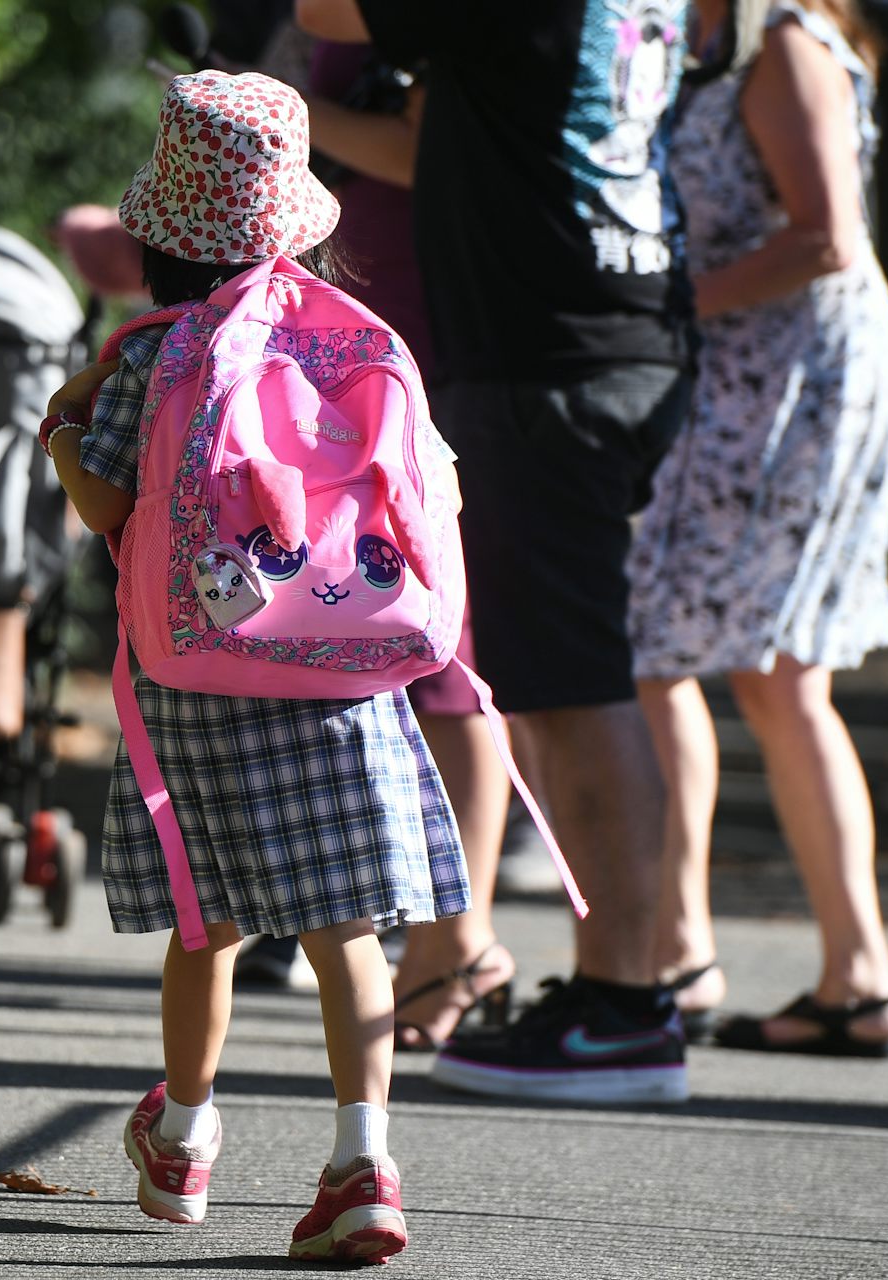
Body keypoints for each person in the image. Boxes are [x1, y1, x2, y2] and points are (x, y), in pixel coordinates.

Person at [45, 70, 471, 1263]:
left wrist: (64, 432)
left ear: (161, 240)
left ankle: (182, 1135)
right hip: (346, 667)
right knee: (349, 933)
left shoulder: (156, 355)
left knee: (208, 920)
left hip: (201, 681)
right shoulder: (353, 343)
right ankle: (364, 1158)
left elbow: (109, 507)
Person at [296, 0, 695, 1104]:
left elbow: (321, 9)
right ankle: (621, 987)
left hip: (549, 356)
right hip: (608, 330)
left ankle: (627, 1005)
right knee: (559, 682)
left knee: (576, 683)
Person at [627, 0, 888, 1055]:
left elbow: (826, 235)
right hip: (741, 383)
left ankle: (844, 970)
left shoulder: (786, 42)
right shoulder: (698, 42)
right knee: (670, 656)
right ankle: (690, 945)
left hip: (803, 384)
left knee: (773, 669)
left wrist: (665, 306)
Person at [295, 39, 518, 1050]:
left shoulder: (405, 20)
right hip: (362, 324)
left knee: (443, 650)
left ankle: (456, 939)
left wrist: (287, 112)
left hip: (419, 324)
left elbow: (434, 150)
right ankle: (439, 932)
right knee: (390, 635)